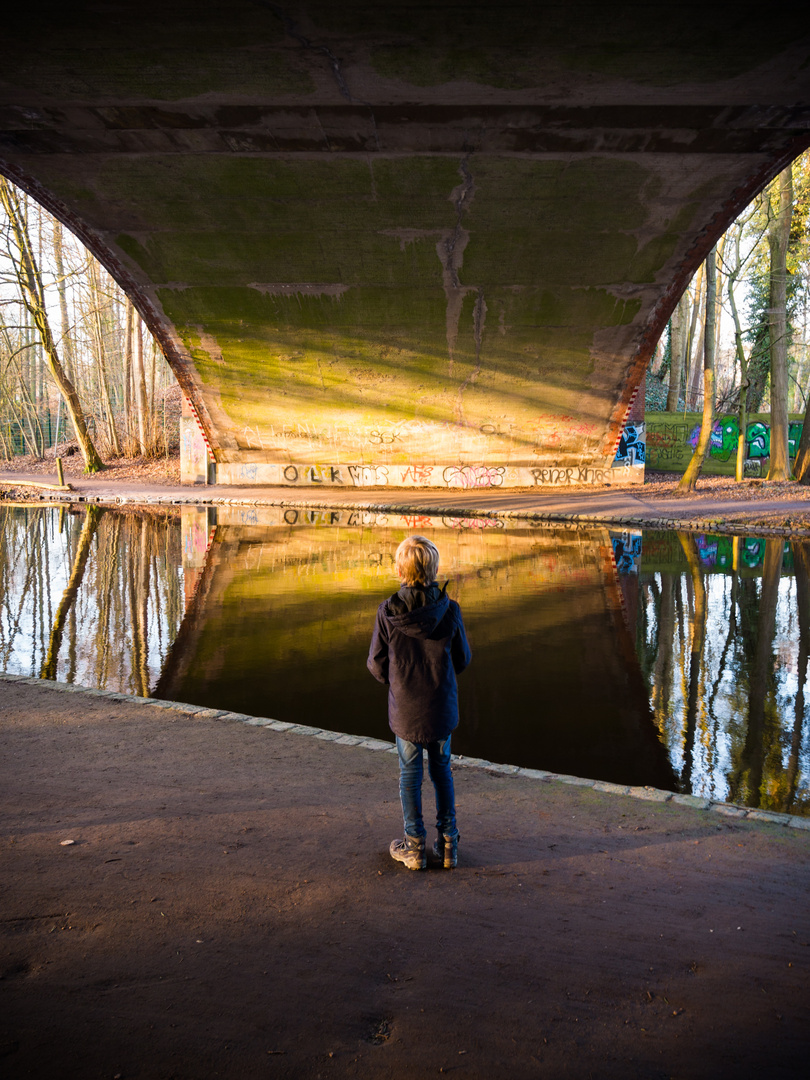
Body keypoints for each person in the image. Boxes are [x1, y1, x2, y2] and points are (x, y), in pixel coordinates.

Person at [367, 535, 472, 870]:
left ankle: (413, 847)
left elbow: (376, 664)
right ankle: (448, 845)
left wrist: (398, 683)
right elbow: (463, 659)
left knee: (409, 775)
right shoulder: (450, 610)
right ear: (434, 569)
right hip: (440, 708)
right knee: (442, 772)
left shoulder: (387, 613)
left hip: (407, 711)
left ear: (400, 569)